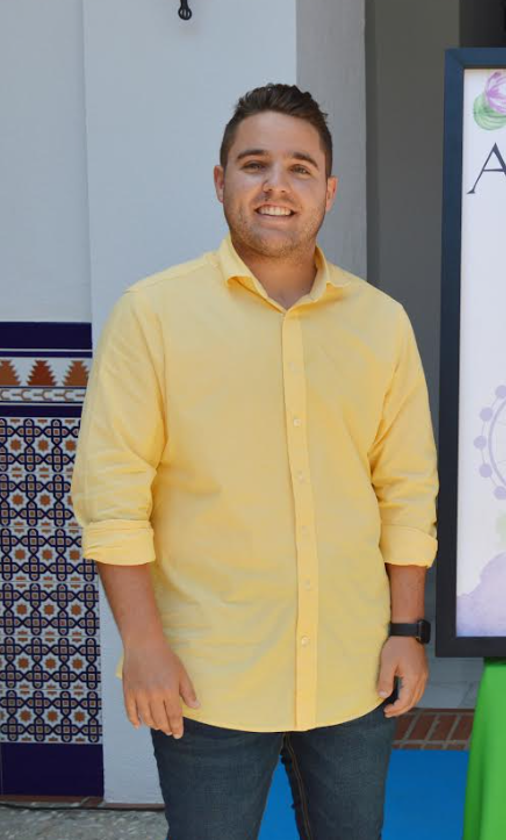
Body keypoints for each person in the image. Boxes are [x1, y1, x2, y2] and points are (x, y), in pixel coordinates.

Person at [71, 84, 438, 840]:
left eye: (300, 168)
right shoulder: (154, 315)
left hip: (351, 667)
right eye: (254, 164)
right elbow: (113, 495)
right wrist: (142, 646)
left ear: (328, 191)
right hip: (208, 674)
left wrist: (408, 627)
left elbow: (405, 489)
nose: (277, 185)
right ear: (220, 181)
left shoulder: (381, 323)